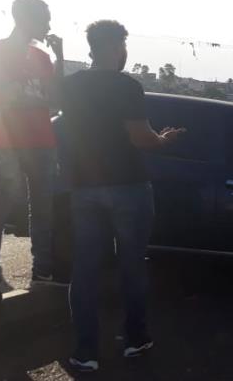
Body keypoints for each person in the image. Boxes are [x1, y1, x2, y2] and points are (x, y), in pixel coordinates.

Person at [62, 20, 185, 372]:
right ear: (118, 47)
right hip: (128, 185)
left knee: (84, 271)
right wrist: (165, 139)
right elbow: (140, 138)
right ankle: (135, 339)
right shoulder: (126, 86)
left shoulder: (69, 86)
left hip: (84, 187)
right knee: (132, 265)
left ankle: (85, 352)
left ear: (90, 47)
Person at [0, 0, 65, 305]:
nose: (48, 26)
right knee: (2, 204)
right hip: (9, 141)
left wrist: (59, 55)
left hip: (42, 140)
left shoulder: (42, 57)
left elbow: (57, 97)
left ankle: (42, 270)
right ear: (26, 19)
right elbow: (6, 97)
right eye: (44, 19)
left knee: (43, 207)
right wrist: (35, 99)